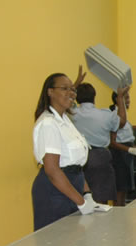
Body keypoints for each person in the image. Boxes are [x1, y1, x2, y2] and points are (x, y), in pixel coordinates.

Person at [31, 72, 96, 231]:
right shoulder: (48, 123)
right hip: (55, 192)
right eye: (65, 88)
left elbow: (76, 163)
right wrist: (81, 202)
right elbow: (53, 170)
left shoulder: (66, 121)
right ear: (50, 91)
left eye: (73, 90)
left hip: (72, 187)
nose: (71, 93)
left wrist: (86, 193)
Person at [71, 82, 129, 204]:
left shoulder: (72, 113)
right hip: (100, 157)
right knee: (101, 199)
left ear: (77, 97)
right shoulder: (104, 115)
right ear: (94, 97)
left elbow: (67, 101)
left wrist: (75, 84)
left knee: (80, 198)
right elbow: (122, 122)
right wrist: (120, 98)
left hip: (78, 157)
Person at [108, 90, 136, 206]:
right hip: (119, 154)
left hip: (127, 153)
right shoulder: (115, 116)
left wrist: (135, 148)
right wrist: (130, 150)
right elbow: (112, 142)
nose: (129, 101)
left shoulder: (123, 116)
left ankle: (121, 211)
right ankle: (117, 215)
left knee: (124, 189)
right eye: (126, 98)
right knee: (119, 188)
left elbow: (127, 137)